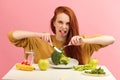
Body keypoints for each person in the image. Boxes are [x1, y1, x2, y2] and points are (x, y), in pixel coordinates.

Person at [8, 6, 115, 65]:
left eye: (68, 23)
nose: (64, 27)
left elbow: (111, 39)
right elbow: (12, 36)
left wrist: (85, 41)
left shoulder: (81, 42)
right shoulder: (39, 41)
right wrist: (38, 34)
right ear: (54, 23)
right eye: (60, 22)